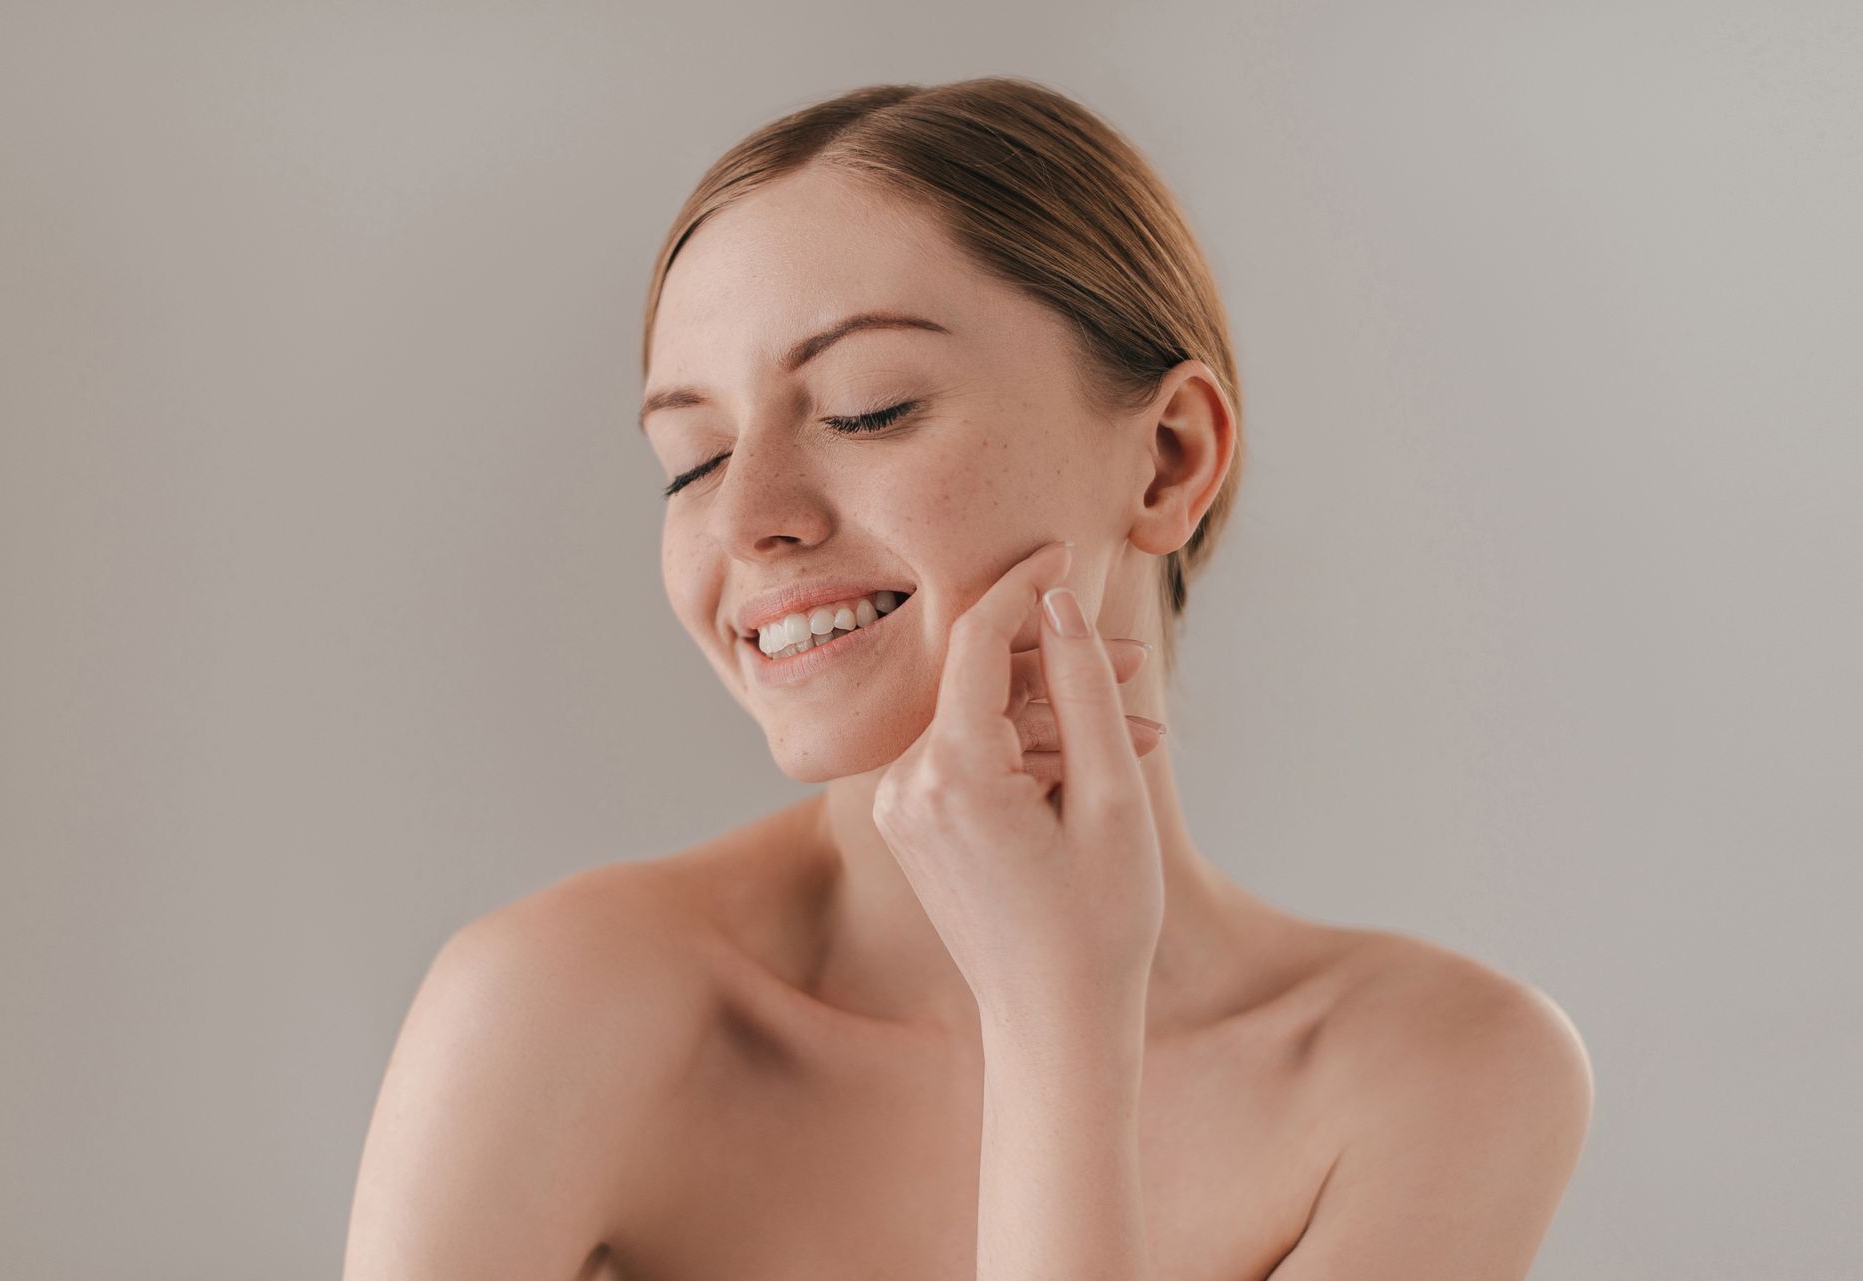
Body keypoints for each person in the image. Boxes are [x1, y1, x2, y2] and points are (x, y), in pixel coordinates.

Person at [343, 77, 1594, 1280]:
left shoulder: (1444, 1074)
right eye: (692, 460)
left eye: (869, 409)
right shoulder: (557, 1008)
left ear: (1168, 458)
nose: (747, 519)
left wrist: (1058, 1022)